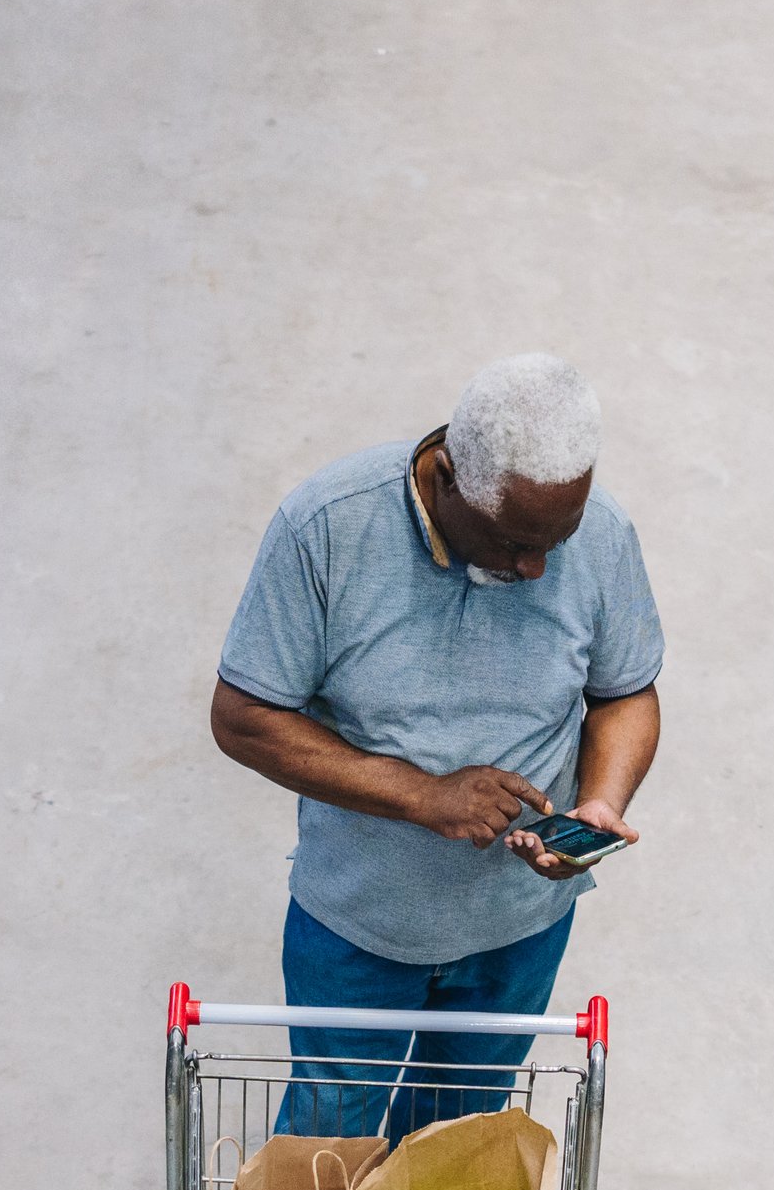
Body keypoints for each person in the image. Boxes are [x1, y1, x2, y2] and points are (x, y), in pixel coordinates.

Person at [211, 352, 662, 1138]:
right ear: (446, 477)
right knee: (329, 1139)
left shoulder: (601, 535)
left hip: (519, 930)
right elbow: (244, 716)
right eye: (515, 541)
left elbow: (625, 694)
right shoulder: (326, 529)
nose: (537, 568)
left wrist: (600, 804)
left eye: (558, 538)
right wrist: (422, 795)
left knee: (451, 1141)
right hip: (359, 926)